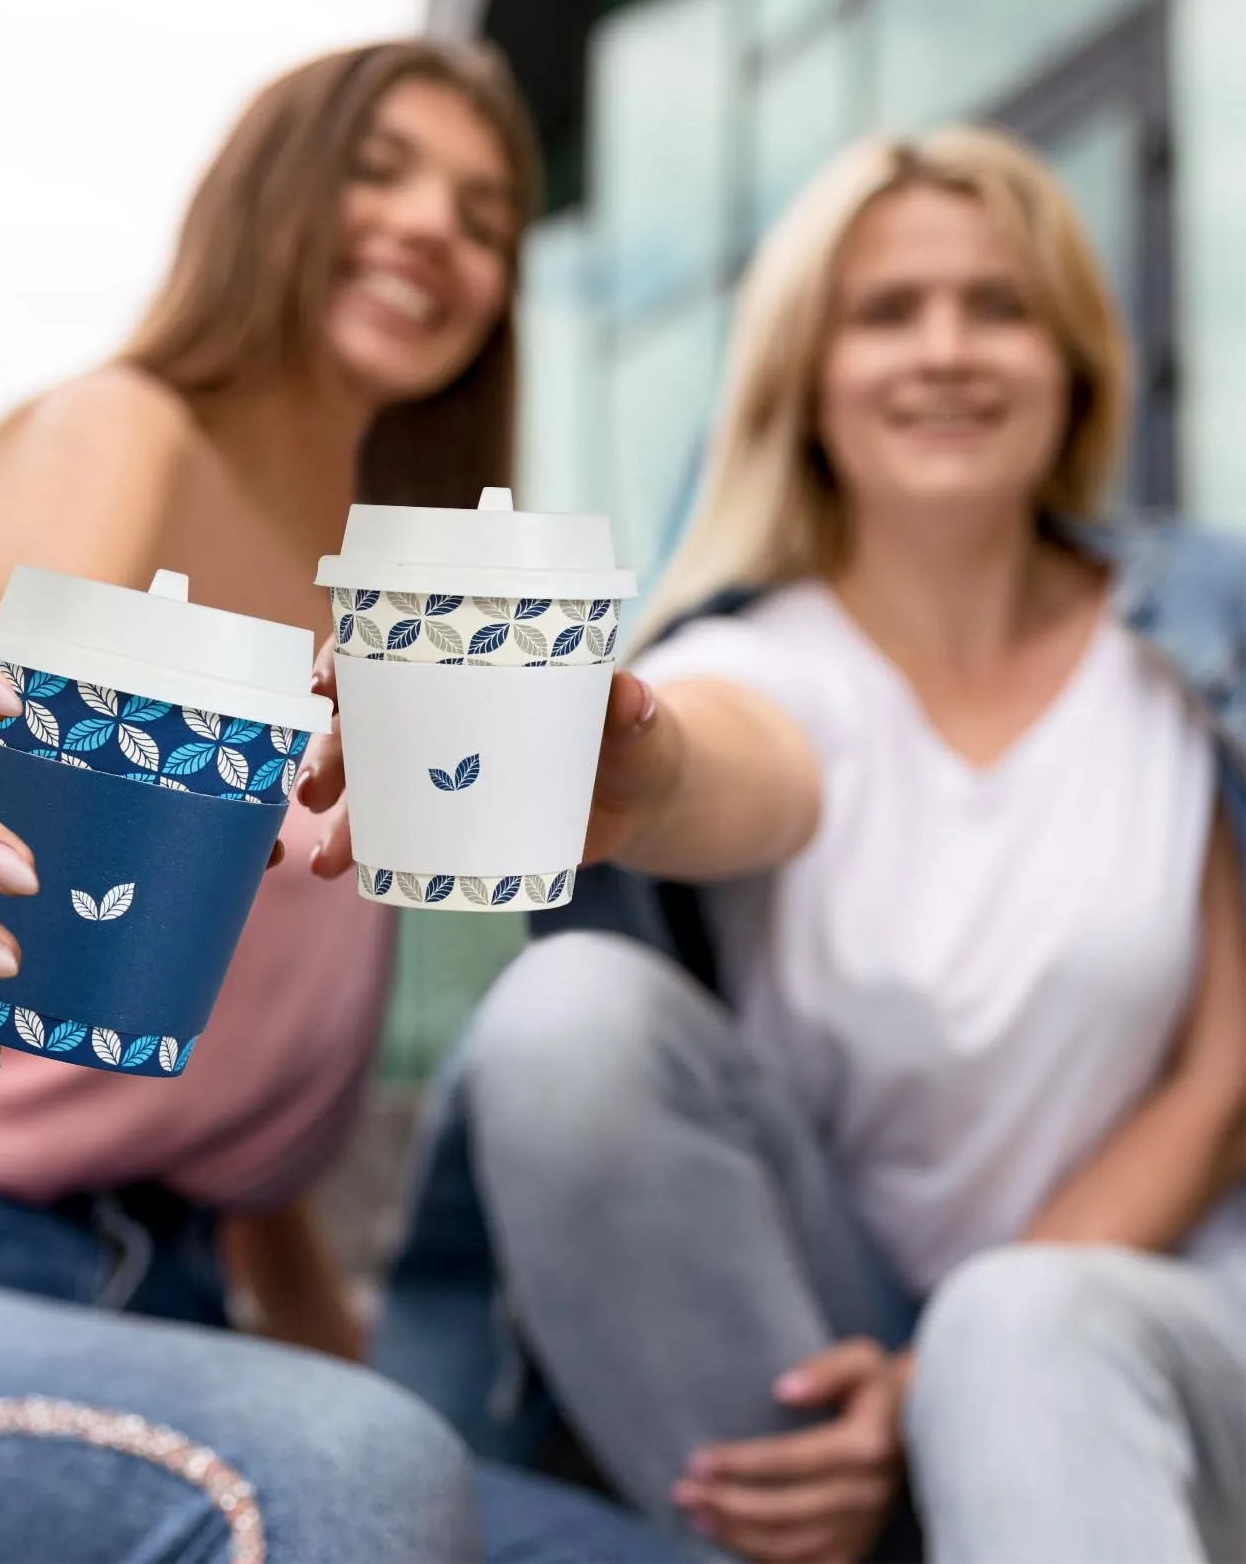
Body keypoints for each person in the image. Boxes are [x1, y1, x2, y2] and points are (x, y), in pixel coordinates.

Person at [0, 41, 683, 1564]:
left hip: (169, 1306)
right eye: (377, 171)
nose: (430, 229)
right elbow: (21, 818)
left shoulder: (403, 636)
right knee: (352, 1473)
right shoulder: (117, 433)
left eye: (480, 212)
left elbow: (217, 1125)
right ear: (264, 198)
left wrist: (345, 1366)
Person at [337, 128, 1246, 1563]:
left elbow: (1225, 1071)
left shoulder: (1205, 634)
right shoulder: (765, 666)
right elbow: (737, 763)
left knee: (1024, 1327)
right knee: (565, 1014)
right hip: (817, 1356)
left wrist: (948, 1362)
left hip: (1162, 1320)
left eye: (997, 306)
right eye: (886, 313)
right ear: (806, 376)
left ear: (1072, 356)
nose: (944, 351)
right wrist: (635, 766)